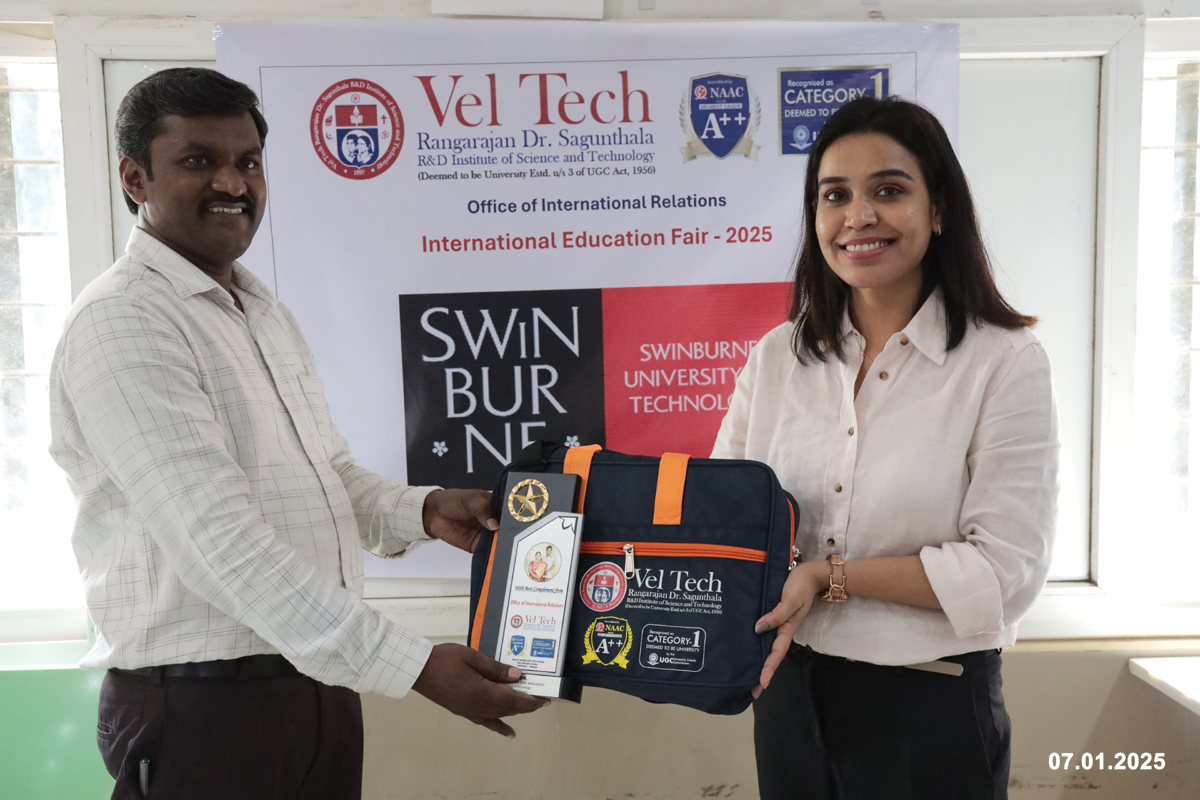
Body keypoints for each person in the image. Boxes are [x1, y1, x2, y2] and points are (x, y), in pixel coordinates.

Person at [48, 67, 544, 800]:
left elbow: (325, 472)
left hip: (312, 689)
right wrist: (413, 665)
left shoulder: (260, 312)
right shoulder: (123, 321)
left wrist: (425, 509)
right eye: (198, 161)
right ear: (135, 178)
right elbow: (219, 542)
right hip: (202, 707)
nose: (232, 183)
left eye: (248, 162)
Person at [711, 96, 1058, 800]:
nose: (859, 216)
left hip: (927, 706)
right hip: (788, 695)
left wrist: (829, 578)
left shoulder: (1004, 361)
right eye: (835, 195)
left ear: (939, 210)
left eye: (889, 191)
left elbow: (1004, 573)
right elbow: (725, 517)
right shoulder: (777, 357)